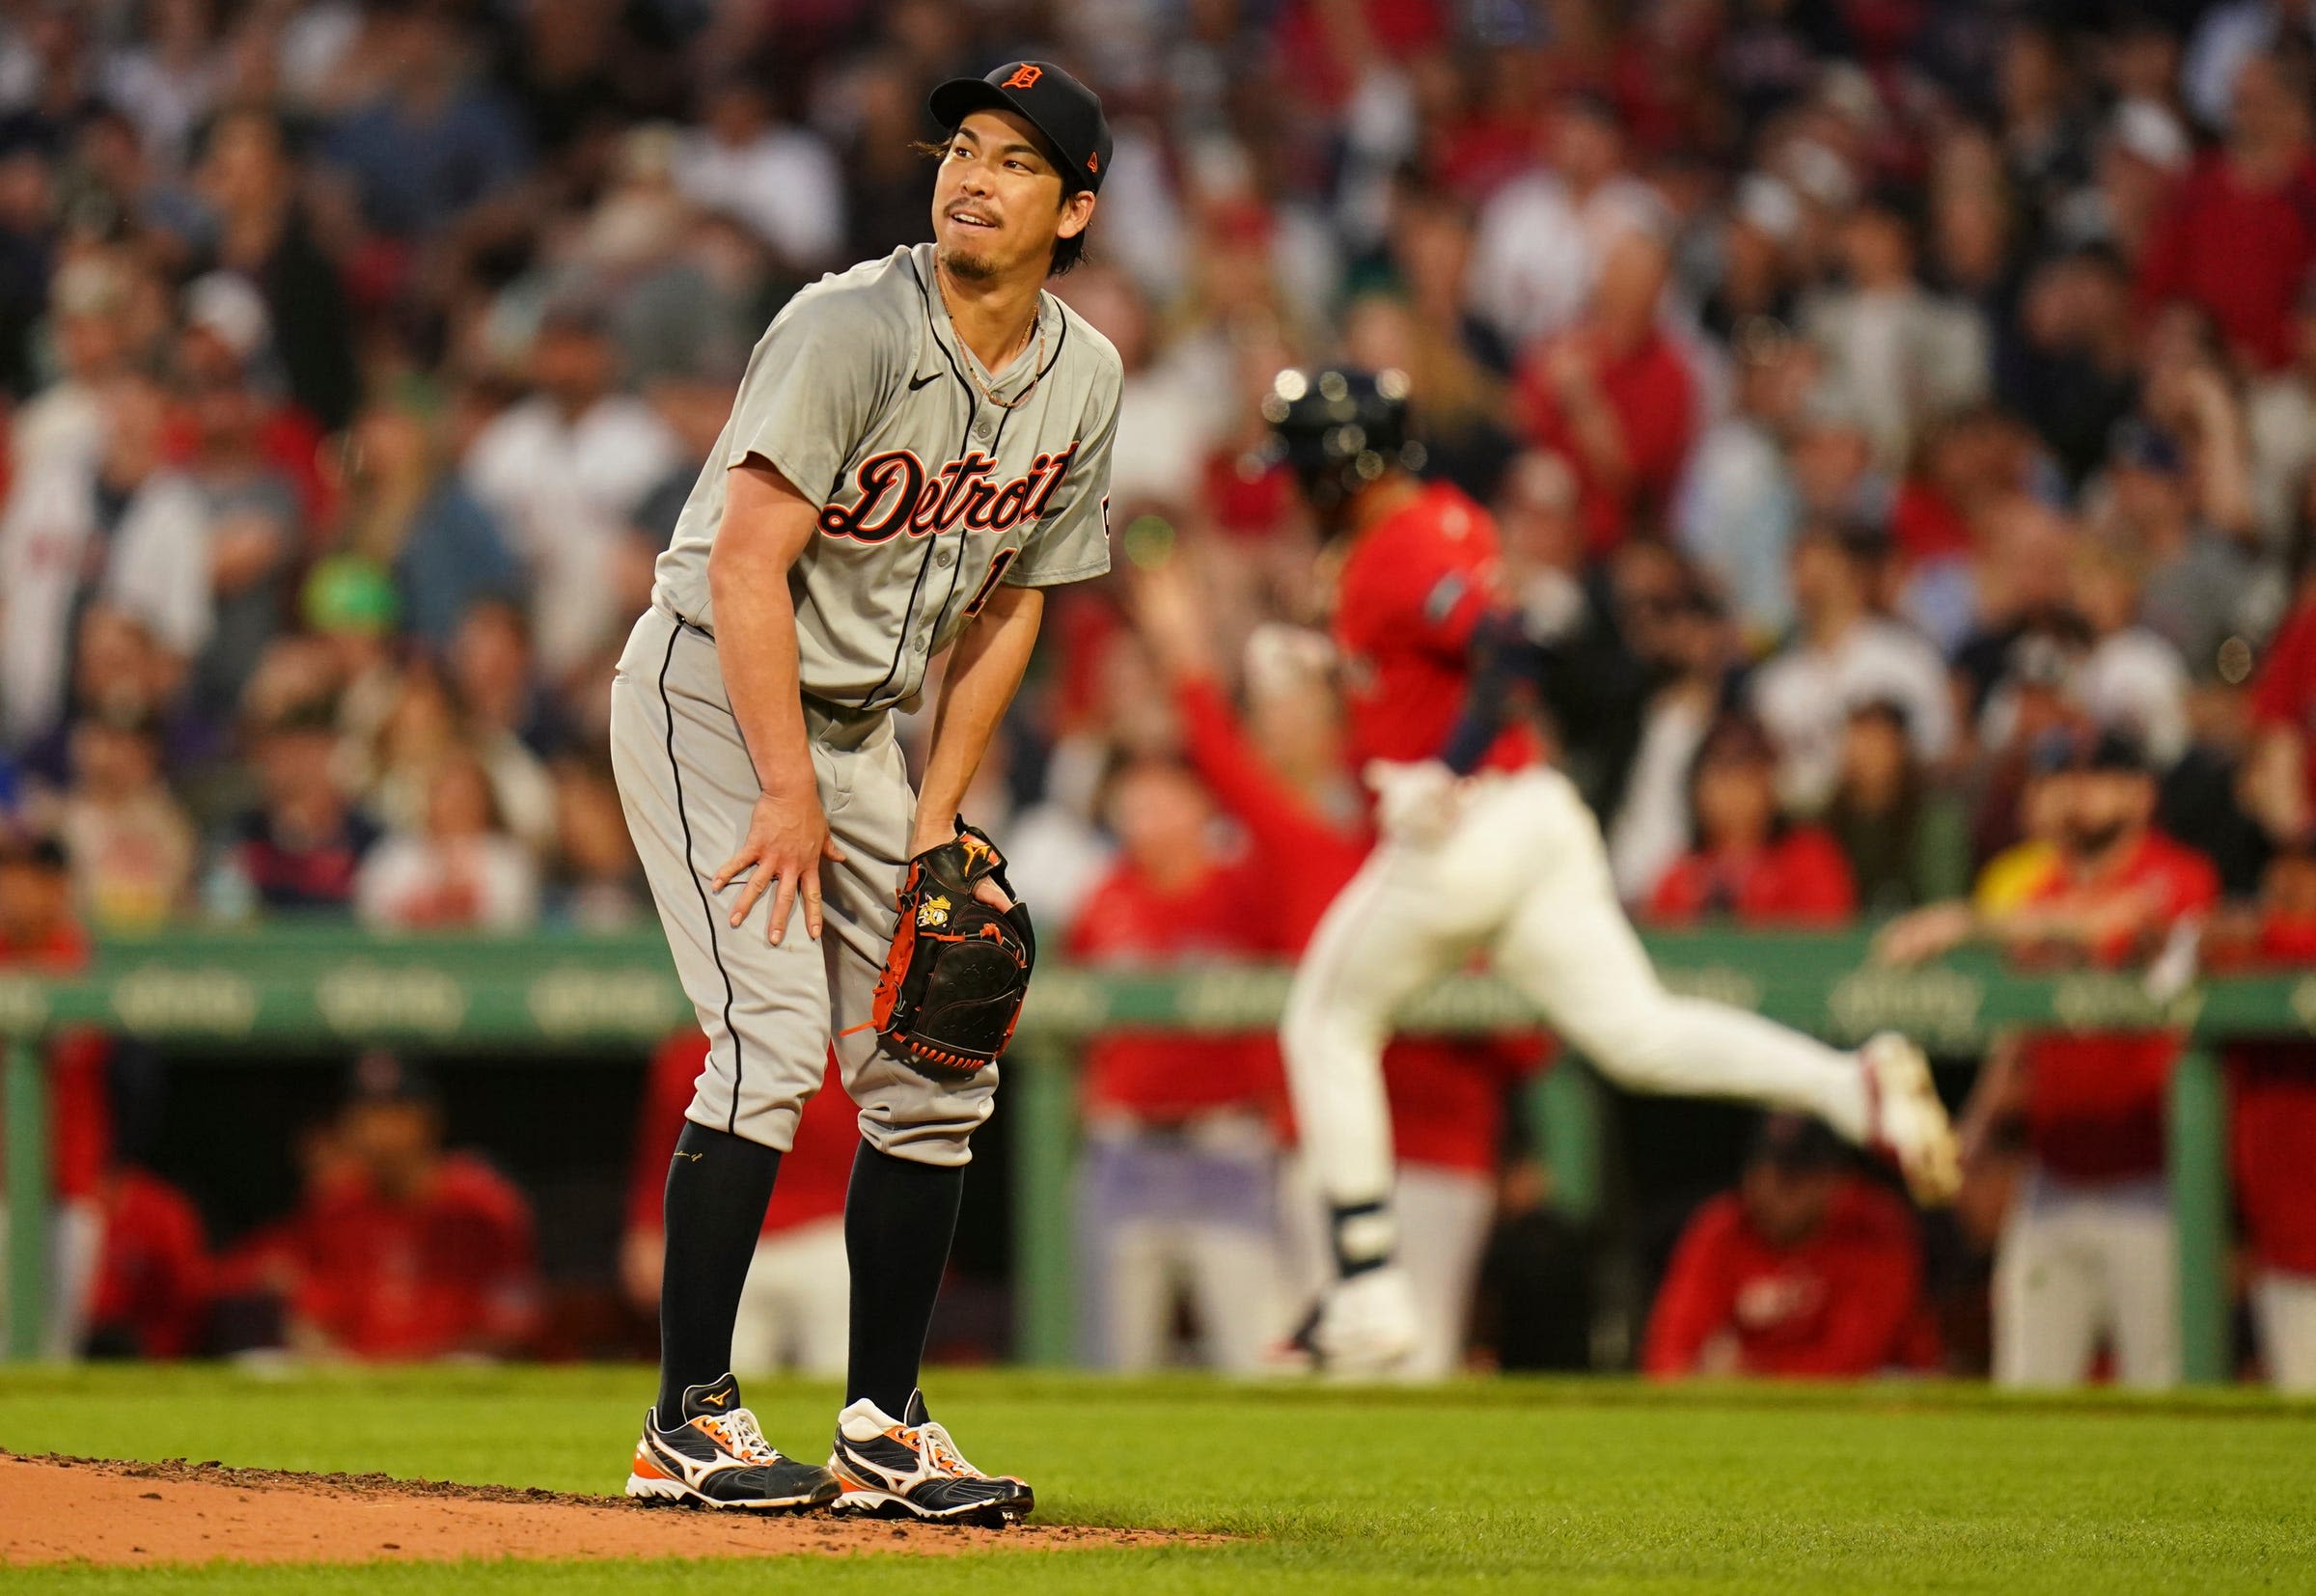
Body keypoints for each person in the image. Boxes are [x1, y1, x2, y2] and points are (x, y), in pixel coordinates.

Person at [606, 63, 1118, 1520]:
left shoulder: (1086, 375)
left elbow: (1016, 597)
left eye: (1017, 161)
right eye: (964, 146)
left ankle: (885, 1423)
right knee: (768, 1044)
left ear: (1075, 206)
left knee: (936, 1059)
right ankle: (684, 1419)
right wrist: (786, 790)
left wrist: (940, 808)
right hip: (715, 690)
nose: (973, 174)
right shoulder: (846, 326)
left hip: (862, 738)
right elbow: (743, 561)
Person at [1261, 367, 1958, 1374]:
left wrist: (1443, 770)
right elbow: (1441, 651)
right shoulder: (1443, 516)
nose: (1289, 486)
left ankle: (1367, 1288)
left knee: (1325, 1020)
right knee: (1637, 1033)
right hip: (1539, 817)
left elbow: (1510, 647)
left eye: (1301, 465)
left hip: (1466, 829)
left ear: (1342, 464)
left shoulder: (1396, 546)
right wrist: (1344, 672)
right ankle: (1854, 1088)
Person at [1880, 728, 2220, 1388]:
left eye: (2102, 778)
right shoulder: (2041, 893)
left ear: (2141, 794)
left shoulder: (2177, 873)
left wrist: (1966, 921)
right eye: (2072, 778)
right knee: (2029, 1383)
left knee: (2163, 1387)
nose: (2081, 795)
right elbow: (2021, 1035)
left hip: (2150, 1177)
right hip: (2053, 1173)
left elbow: (2106, 925)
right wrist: (1972, 1131)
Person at [283, 1052, 538, 1362]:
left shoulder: (483, 1206)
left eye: (393, 1115)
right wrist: (337, 1363)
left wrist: (410, 1370)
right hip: (357, 1386)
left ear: (428, 1120)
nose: (377, 1132)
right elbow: (307, 1320)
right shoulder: (336, 1208)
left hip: (452, 1385)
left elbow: (512, 1327)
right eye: (364, 1116)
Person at [624, 1035, 855, 1380]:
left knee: (846, 1384)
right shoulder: (689, 1053)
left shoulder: (848, 1047)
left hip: (828, 1239)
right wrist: (646, 1229)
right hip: (727, 1240)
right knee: (720, 1389)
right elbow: (665, 1154)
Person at [1642, 1114, 1932, 1380]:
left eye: (1795, 1178)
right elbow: (1667, 1356)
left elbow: (1852, 1362)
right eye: (1765, 1173)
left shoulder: (1871, 1227)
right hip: (1751, 1405)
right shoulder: (1721, 1229)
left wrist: (1749, 1370)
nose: (1775, 1190)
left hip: (1875, 1405)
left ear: (1832, 1182)